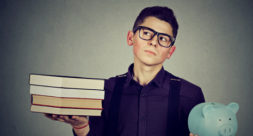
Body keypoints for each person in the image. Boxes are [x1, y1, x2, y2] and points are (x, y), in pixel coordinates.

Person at [45, 6, 205, 136]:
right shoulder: (105, 91)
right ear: (130, 38)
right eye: (147, 33)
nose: (154, 42)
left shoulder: (191, 95)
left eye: (163, 38)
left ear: (170, 51)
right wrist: (81, 126)